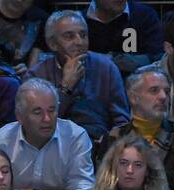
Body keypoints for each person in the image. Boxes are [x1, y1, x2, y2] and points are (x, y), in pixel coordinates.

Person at [0, 79, 96, 190]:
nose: (47, 119)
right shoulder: (0, 142)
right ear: (19, 116)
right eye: (37, 112)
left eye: (51, 110)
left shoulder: (75, 137)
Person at [31, 11, 128, 144]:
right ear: (52, 44)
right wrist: (66, 87)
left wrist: (111, 140)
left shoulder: (106, 67)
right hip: (55, 145)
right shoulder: (37, 76)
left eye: (83, 35)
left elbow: (121, 120)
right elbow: (38, 127)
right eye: (69, 36)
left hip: (100, 145)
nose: (79, 42)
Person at [108, 68, 174, 190]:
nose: (163, 97)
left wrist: (137, 175)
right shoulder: (116, 136)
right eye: (154, 90)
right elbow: (106, 181)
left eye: (166, 91)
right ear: (133, 98)